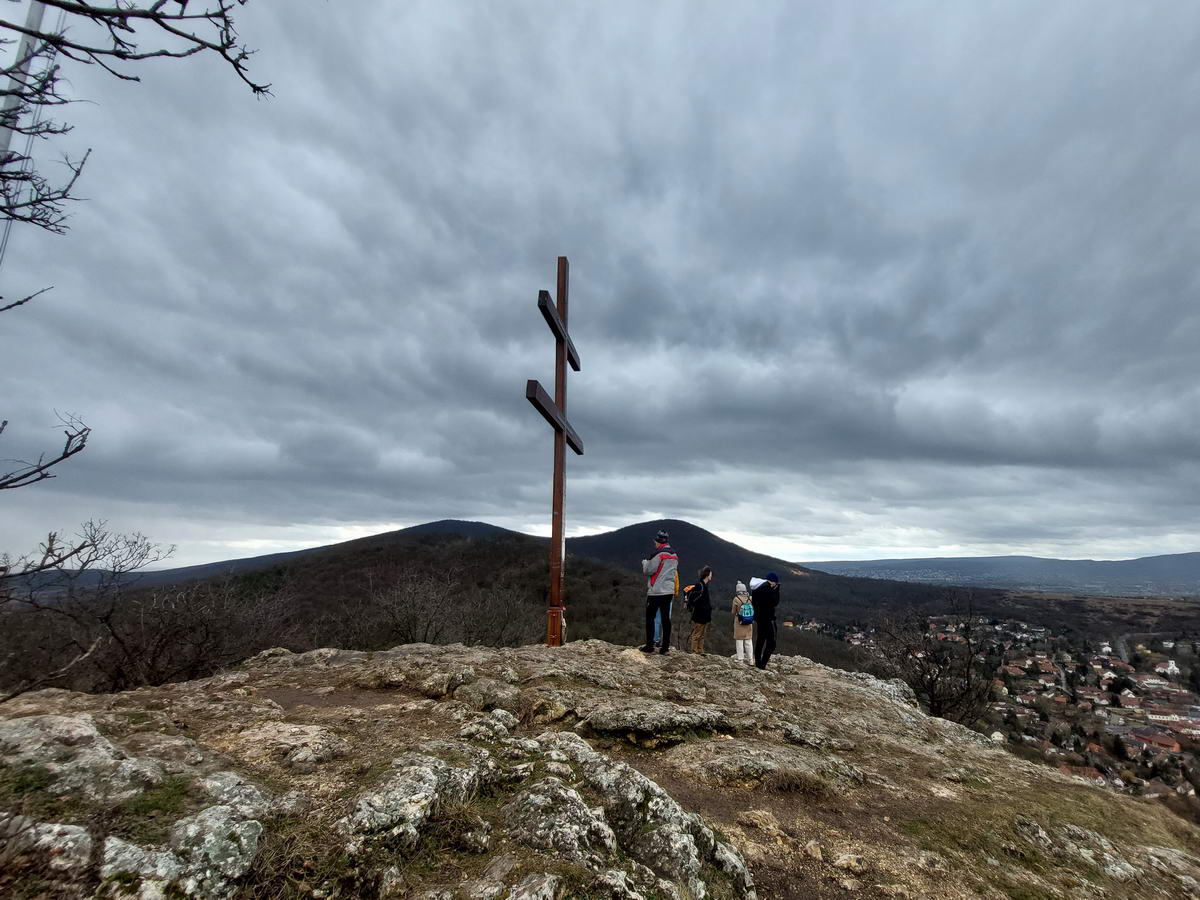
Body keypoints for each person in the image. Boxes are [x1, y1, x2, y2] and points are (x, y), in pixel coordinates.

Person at [640, 530, 678, 655]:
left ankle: (650, 645)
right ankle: (665, 647)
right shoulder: (674, 555)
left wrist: (645, 563)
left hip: (656, 591)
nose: (654, 544)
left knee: (650, 618)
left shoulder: (658, 554)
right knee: (666, 619)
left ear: (658, 542)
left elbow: (649, 571)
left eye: (655, 542)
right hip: (668, 591)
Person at [752, 572, 781, 669]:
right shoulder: (768, 589)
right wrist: (776, 591)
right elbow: (774, 602)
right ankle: (763, 664)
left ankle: (757, 662)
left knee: (760, 640)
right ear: (773, 582)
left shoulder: (756, 588)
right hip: (768, 619)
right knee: (771, 643)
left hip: (759, 619)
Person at [687, 566, 714, 653]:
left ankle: (700, 650)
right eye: (710, 574)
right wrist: (699, 608)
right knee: (697, 634)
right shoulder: (700, 586)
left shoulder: (705, 586)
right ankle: (695, 651)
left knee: (702, 634)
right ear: (707, 575)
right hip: (699, 614)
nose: (711, 576)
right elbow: (693, 600)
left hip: (704, 615)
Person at [731, 580, 754, 665]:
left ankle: (740, 660)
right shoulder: (750, 598)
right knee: (748, 641)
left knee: (739, 641)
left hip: (739, 622)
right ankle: (751, 659)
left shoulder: (736, 599)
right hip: (749, 622)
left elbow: (733, 612)